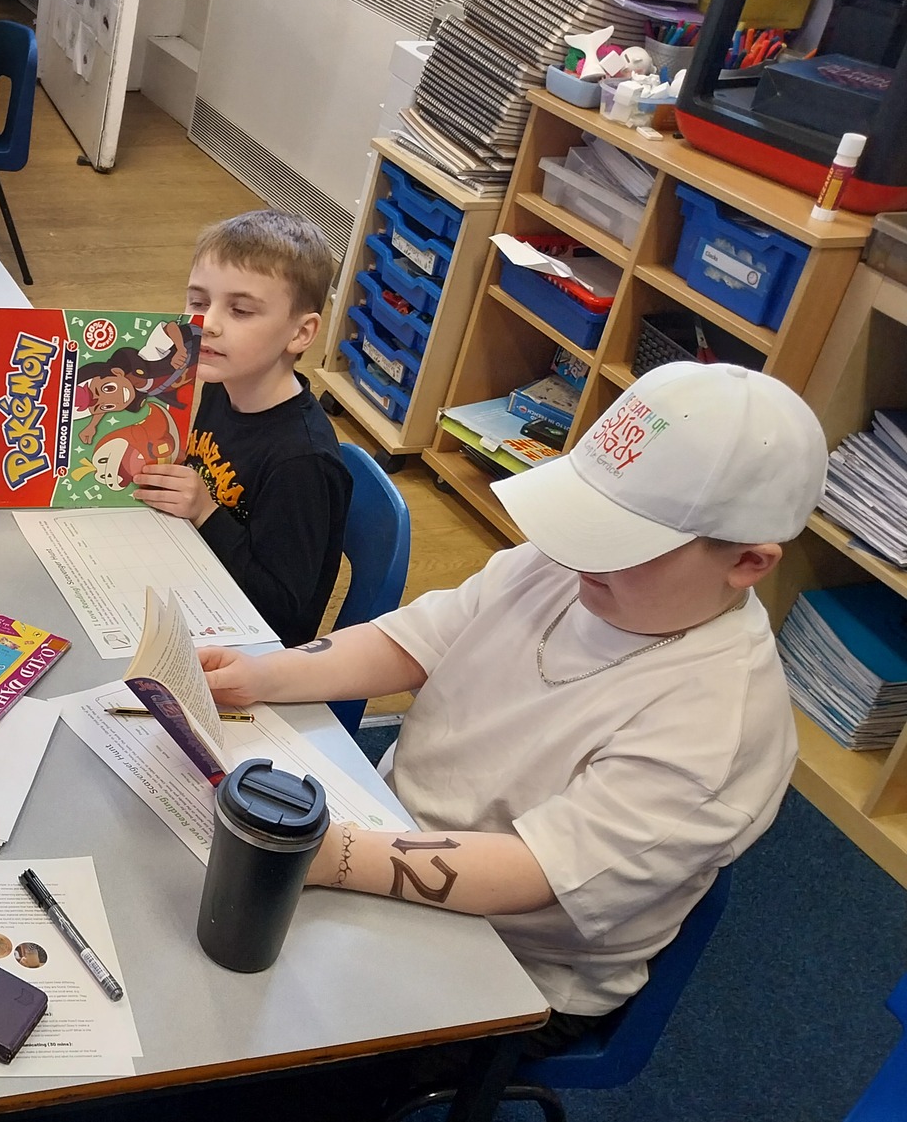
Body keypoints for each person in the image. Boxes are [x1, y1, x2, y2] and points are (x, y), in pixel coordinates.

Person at [201, 362, 826, 1101]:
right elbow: (417, 638)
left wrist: (327, 855)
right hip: (389, 831)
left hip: (515, 961)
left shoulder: (717, 728)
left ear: (748, 562)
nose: (577, 553)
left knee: (252, 1051)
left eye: (620, 541)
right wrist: (264, 674)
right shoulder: (574, 570)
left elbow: (536, 872)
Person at [132, 210, 349, 648]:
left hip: (254, 648)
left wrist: (204, 511)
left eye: (241, 310)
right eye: (199, 302)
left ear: (300, 333)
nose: (208, 323)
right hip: (198, 579)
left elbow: (282, 610)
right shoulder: (221, 383)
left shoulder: (302, 462)